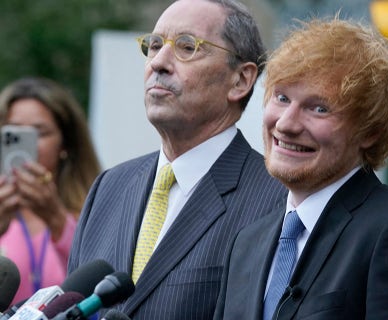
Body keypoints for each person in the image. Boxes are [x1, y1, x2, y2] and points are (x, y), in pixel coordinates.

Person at [67, 0, 286, 319]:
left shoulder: (276, 200)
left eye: (186, 47)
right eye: (154, 45)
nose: (159, 63)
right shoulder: (108, 187)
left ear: (240, 80)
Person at [214, 18, 388, 320]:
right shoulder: (247, 243)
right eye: (281, 98)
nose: (285, 124)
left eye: (319, 108)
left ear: (369, 130)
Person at [0, 77, 101, 304]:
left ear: (65, 142)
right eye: (14, 134)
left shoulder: (95, 206)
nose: (29, 146)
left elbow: (100, 284)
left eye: (40, 133)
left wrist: (57, 222)